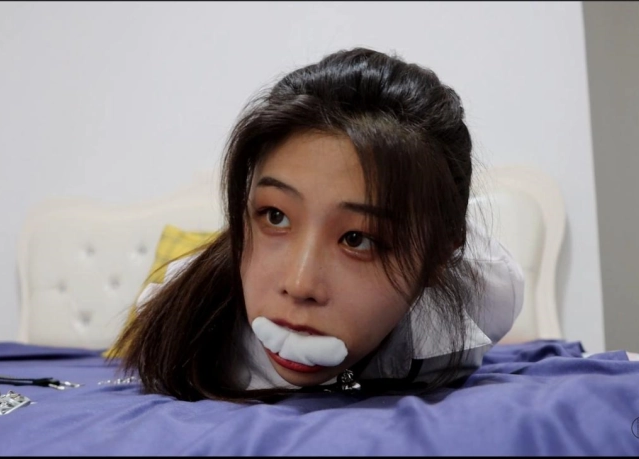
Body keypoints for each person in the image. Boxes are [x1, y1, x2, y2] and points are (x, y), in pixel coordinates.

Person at [110, 47, 524, 403]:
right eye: (275, 216)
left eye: (358, 239)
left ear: (437, 258)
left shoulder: (487, 296)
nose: (299, 285)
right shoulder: (185, 328)